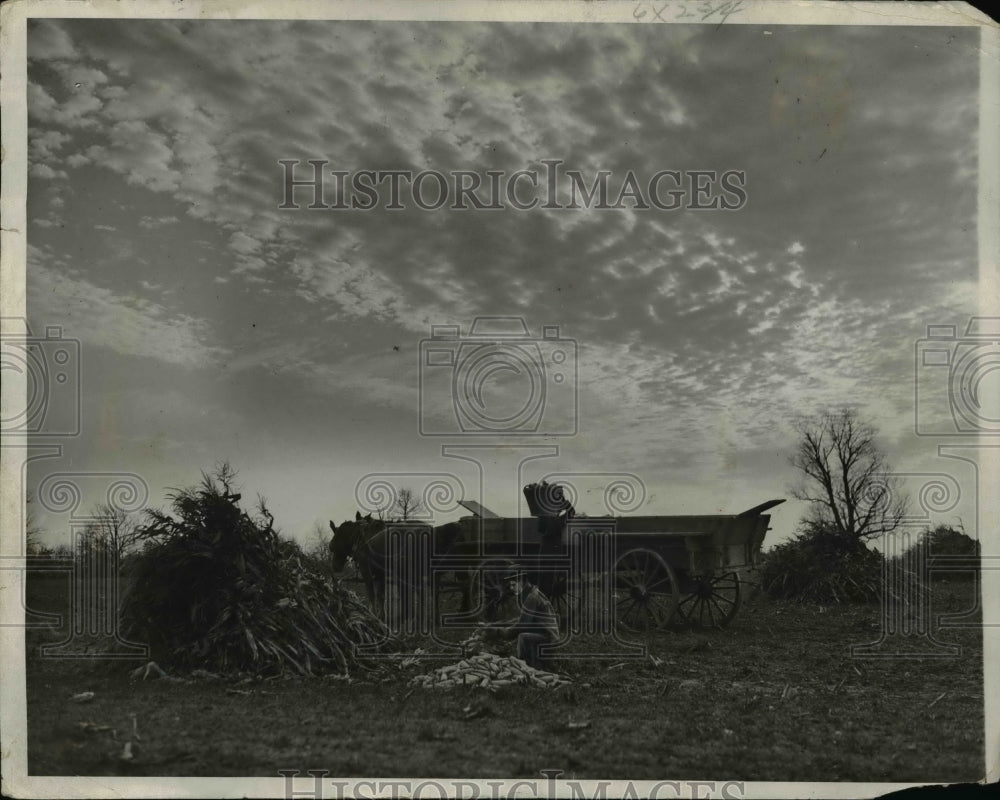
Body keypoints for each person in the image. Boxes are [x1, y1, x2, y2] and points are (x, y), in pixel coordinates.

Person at [490, 566, 560, 672]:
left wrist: (499, 632)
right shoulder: (529, 593)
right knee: (523, 634)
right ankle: (530, 663)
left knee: (523, 636)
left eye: (513, 585)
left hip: (549, 639)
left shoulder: (532, 598)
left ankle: (528, 667)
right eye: (510, 585)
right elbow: (520, 619)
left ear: (521, 581)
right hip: (542, 633)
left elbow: (521, 626)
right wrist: (497, 624)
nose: (511, 588)